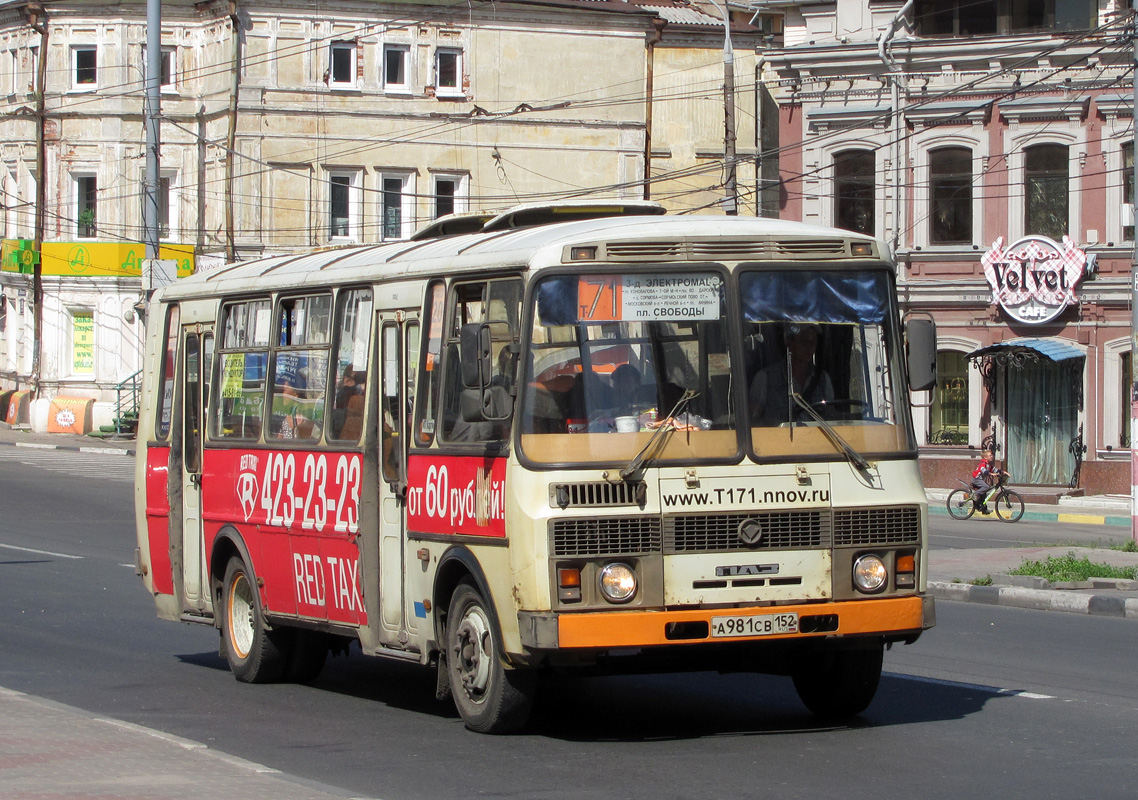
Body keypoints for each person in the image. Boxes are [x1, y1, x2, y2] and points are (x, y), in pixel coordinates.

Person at [749, 322, 833, 425]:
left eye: (812, 342)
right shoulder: (765, 378)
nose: (808, 347)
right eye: (803, 340)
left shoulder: (823, 379)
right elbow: (753, 422)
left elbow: (832, 418)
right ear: (788, 342)